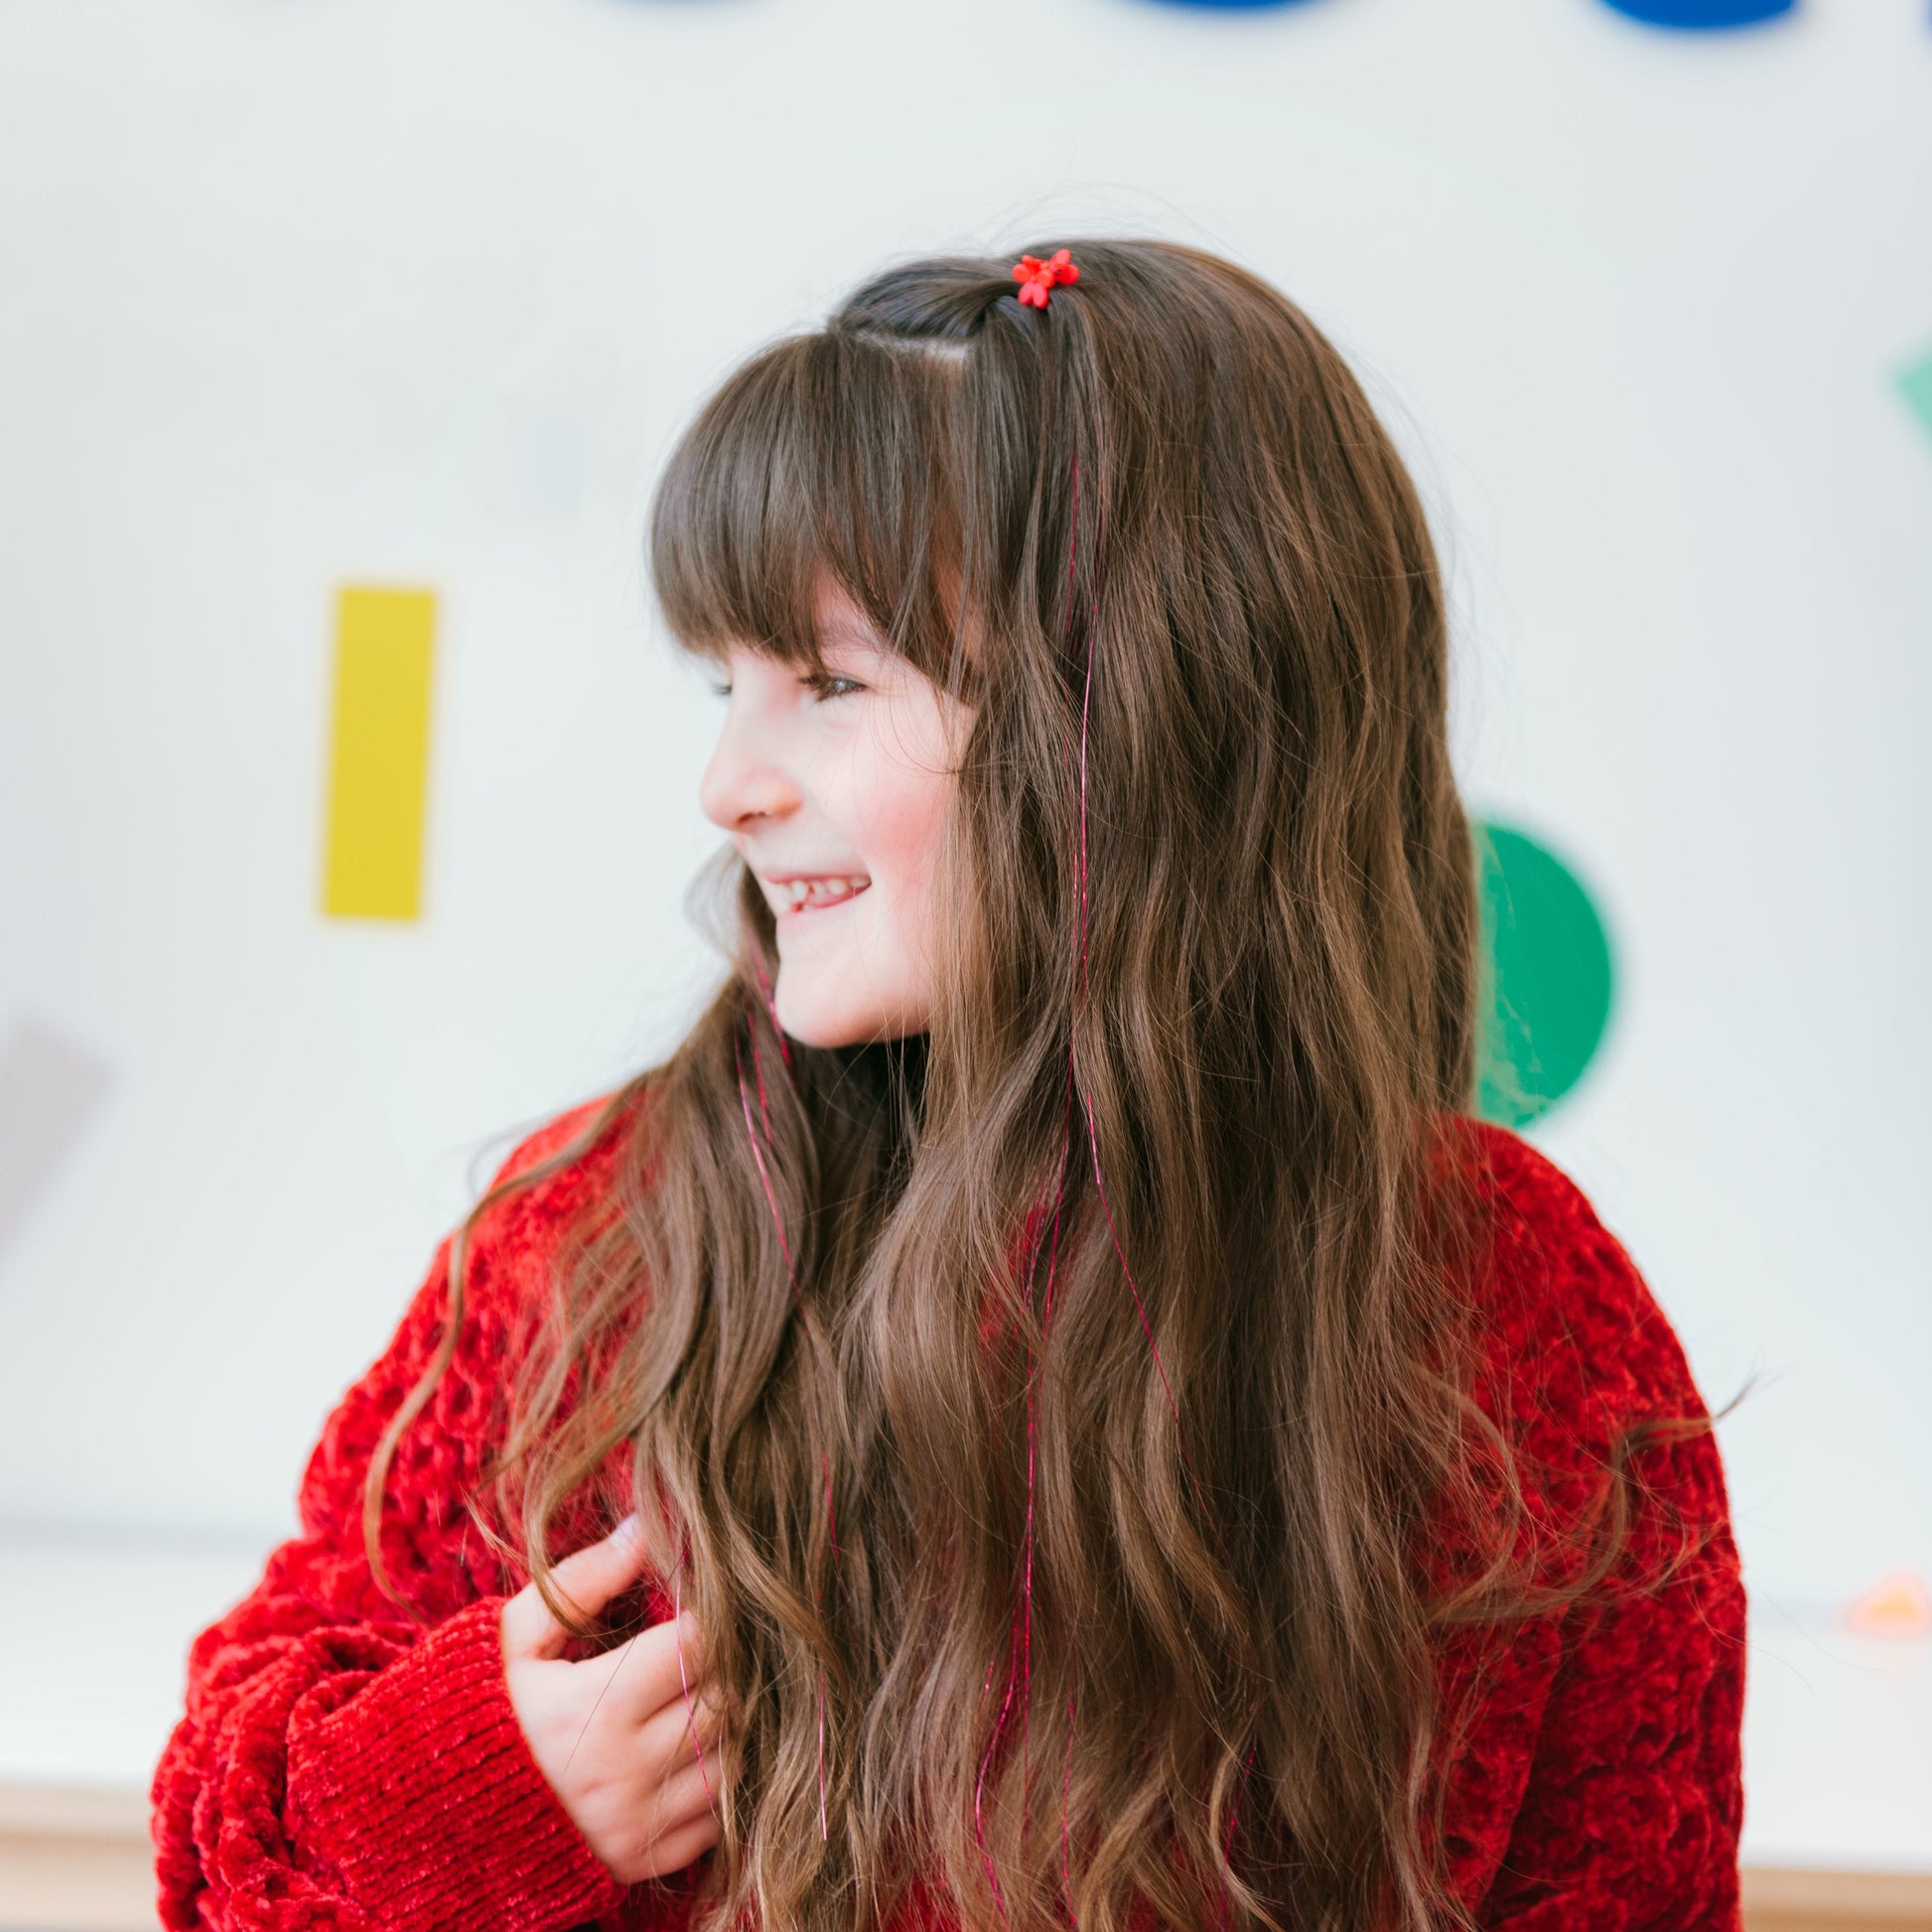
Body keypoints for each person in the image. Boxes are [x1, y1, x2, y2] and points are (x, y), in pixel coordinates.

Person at [152, 240, 1744, 1932]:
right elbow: (221, 1845)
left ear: (1144, 719)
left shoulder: (1509, 1315)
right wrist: (479, 1790)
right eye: (726, 684)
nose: (726, 783)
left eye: (830, 684)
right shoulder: (604, 1238)